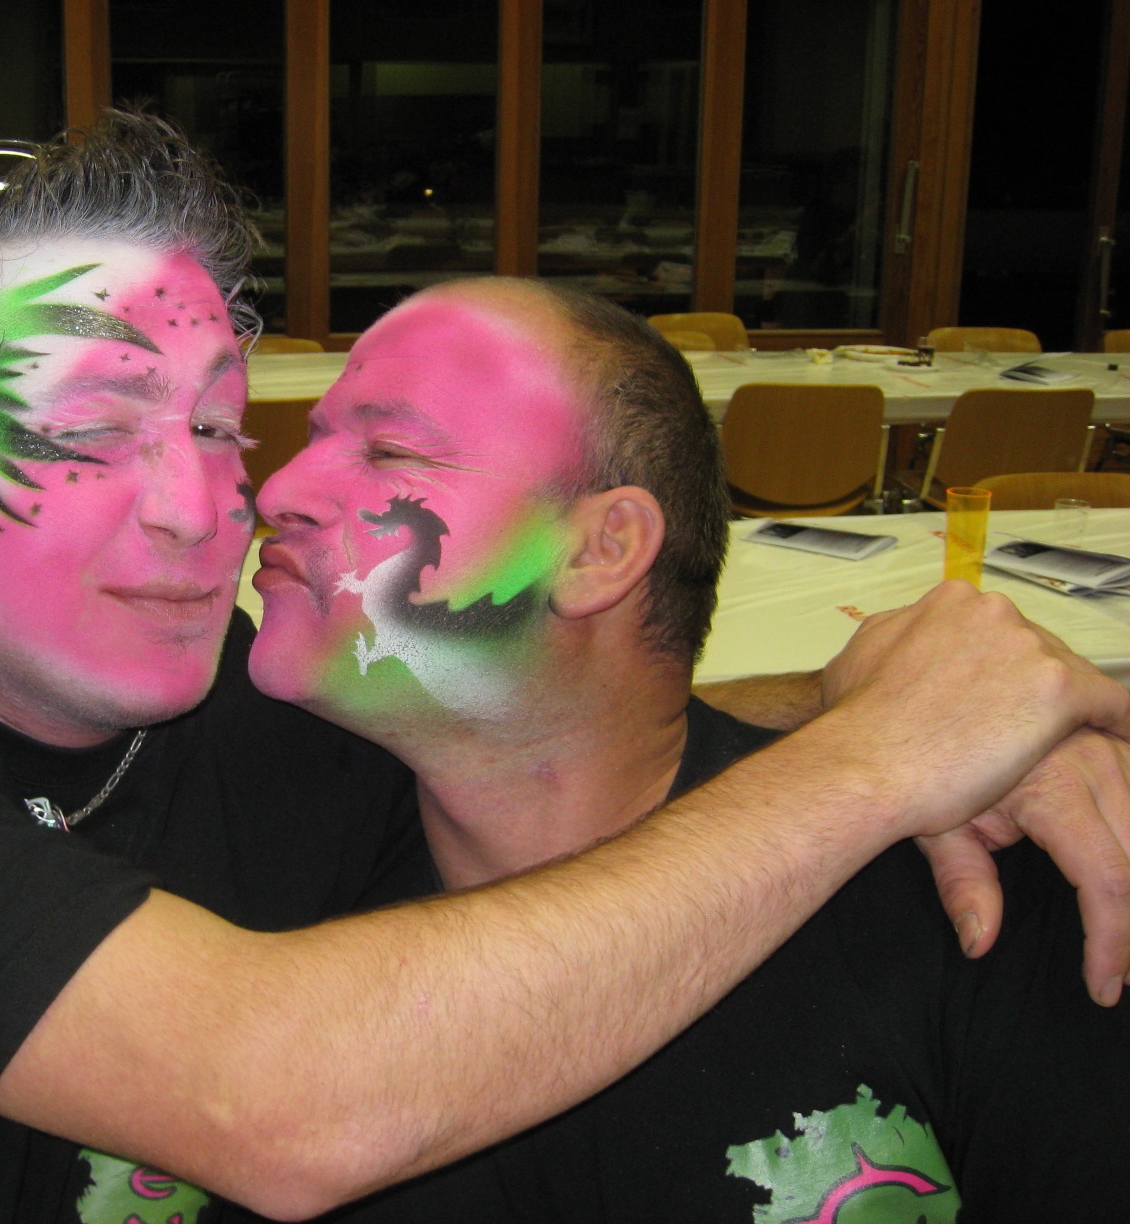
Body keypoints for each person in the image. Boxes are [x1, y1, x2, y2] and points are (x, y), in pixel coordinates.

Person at [0, 113, 1130, 1224]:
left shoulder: (242, 708)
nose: (215, 501)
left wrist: (905, 708)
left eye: (219, 422)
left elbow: (551, 725)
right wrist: (880, 760)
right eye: (90, 430)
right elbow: (284, 1100)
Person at [242, 278, 1129, 1221]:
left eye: (390, 450)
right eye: (312, 441)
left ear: (599, 551)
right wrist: (875, 723)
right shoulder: (251, 859)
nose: (279, 490)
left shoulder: (965, 893)